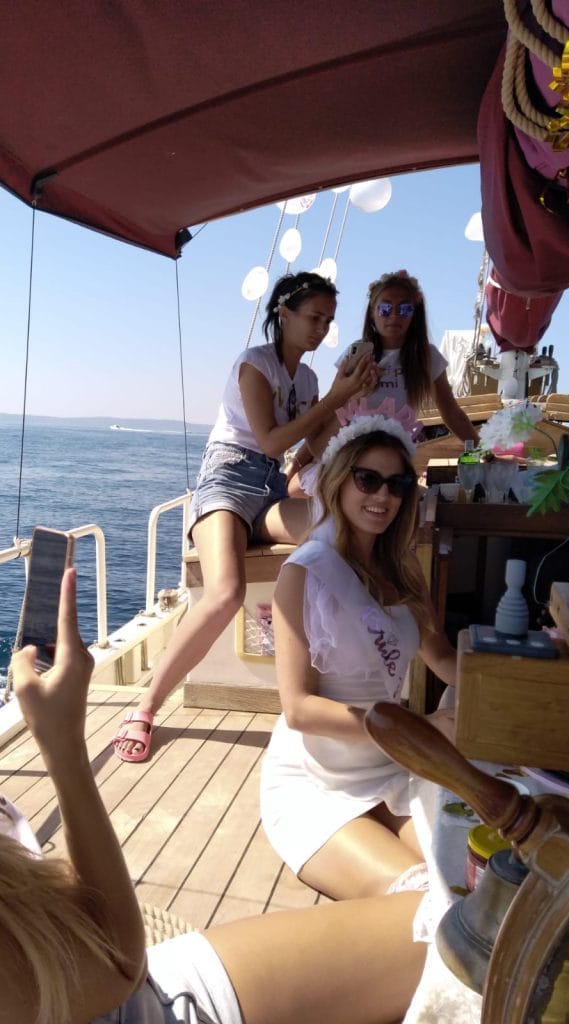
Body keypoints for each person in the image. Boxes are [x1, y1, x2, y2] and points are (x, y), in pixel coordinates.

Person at [0, 524, 429, 1024]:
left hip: (91, 966)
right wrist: (63, 745)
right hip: (133, 998)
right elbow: (118, 967)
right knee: (437, 935)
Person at [113, 270, 379, 762]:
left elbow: (314, 443)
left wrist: (348, 404)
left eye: (328, 321)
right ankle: (145, 709)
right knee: (225, 593)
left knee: (343, 532)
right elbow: (270, 440)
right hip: (228, 482)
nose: (321, 329)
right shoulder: (253, 365)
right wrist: (335, 399)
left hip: (270, 489)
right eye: (313, 317)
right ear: (284, 312)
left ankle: (331, 684)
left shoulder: (309, 380)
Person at [260, 413, 458, 902]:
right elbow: (298, 709)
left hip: (392, 763)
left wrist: (516, 686)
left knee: (461, 880)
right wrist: (424, 727)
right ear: (338, 480)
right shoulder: (304, 574)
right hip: (316, 779)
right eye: (367, 479)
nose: (383, 496)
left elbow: (442, 658)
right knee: (418, 899)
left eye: (397, 484)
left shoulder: (404, 568)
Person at [291, 271, 478, 487]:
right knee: (296, 487)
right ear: (372, 313)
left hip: (393, 456)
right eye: (385, 309)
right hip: (349, 451)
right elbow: (330, 410)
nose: (394, 316)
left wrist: (482, 451)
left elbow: (452, 413)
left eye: (405, 309)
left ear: (414, 314)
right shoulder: (355, 355)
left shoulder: (427, 357)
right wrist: (295, 465)